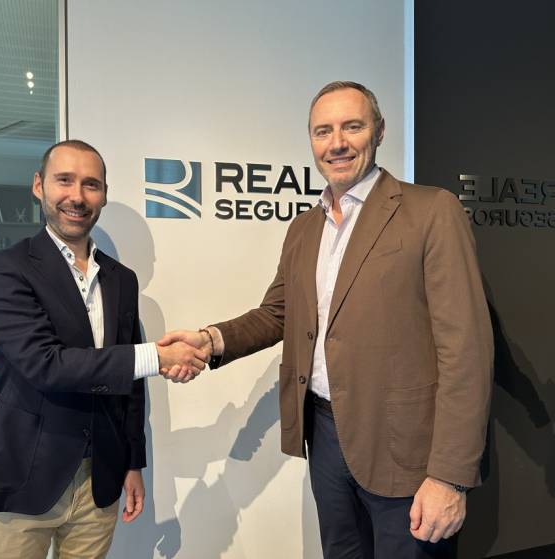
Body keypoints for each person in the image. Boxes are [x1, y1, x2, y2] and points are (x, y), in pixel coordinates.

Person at [160, 81, 494, 558]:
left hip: (406, 450)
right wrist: (211, 340)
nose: (336, 143)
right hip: (325, 436)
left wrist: (449, 476)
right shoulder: (304, 226)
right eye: (323, 131)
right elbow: (277, 312)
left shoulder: (431, 210)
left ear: (379, 132)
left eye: (351, 127)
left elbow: (467, 352)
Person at [0, 139, 206, 559]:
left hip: (100, 479)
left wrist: (132, 462)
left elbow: (129, 388)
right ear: (38, 185)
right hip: (23, 475)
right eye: (64, 180)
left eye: (91, 184)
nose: (77, 196)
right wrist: (157, 356)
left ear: (104, 194)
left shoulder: (121, 279)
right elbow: (45, 365)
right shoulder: (3, 269)